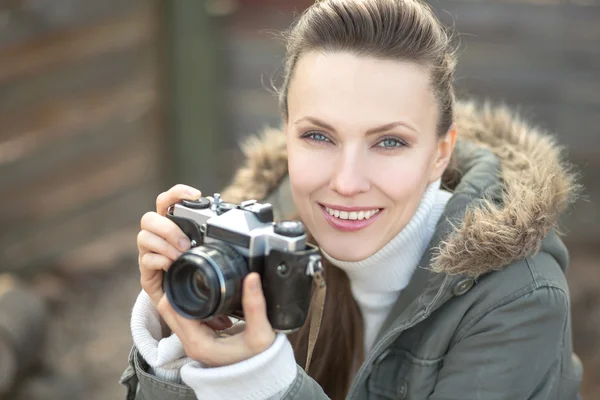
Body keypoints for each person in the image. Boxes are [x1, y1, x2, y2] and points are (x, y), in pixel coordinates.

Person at [120, 0, 584, 398]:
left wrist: (262, 380)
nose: (346, 182)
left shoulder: (519, 301)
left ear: (440, 153)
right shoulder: (259, 246)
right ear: (287, 136)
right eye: (319, 135)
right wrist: (177, 340)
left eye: (389, 142)